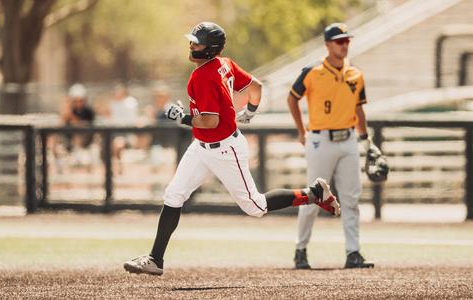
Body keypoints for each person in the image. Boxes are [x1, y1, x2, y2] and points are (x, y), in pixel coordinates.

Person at [123, 21, 341, 276]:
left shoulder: (202, 76)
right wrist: (250, 111)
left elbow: (210, 120)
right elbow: (256, 87)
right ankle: (155, 260)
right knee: (173, 195)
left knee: (256, 207)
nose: (192, 45)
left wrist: (181, 117)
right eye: (192, 40)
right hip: (203, 146)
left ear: (209, 48)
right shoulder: (224, 63)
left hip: (225, 149)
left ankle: (314, 193)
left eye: (197, 42)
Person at [287, 23, 374, 269]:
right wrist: (301, 132)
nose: (344, 45)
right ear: (327, 44)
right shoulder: (312, 71)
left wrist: (366, 139)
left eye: (346, 40)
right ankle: (300, 250)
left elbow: (359, 108)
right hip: (320, 139)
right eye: (339, 41)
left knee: (351, 198)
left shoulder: (356, 73)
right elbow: (292, 98)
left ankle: (353, 252)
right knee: (313, 196)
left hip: (347, 139)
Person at [60, 83, 95, 151]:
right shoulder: (69, 110)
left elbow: (82, 127)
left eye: (80, 101)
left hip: (85, 143)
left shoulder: (88, 112)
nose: (78, 103)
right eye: (75, 101)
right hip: (69, 142)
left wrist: (71, 115)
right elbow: (61, 125)